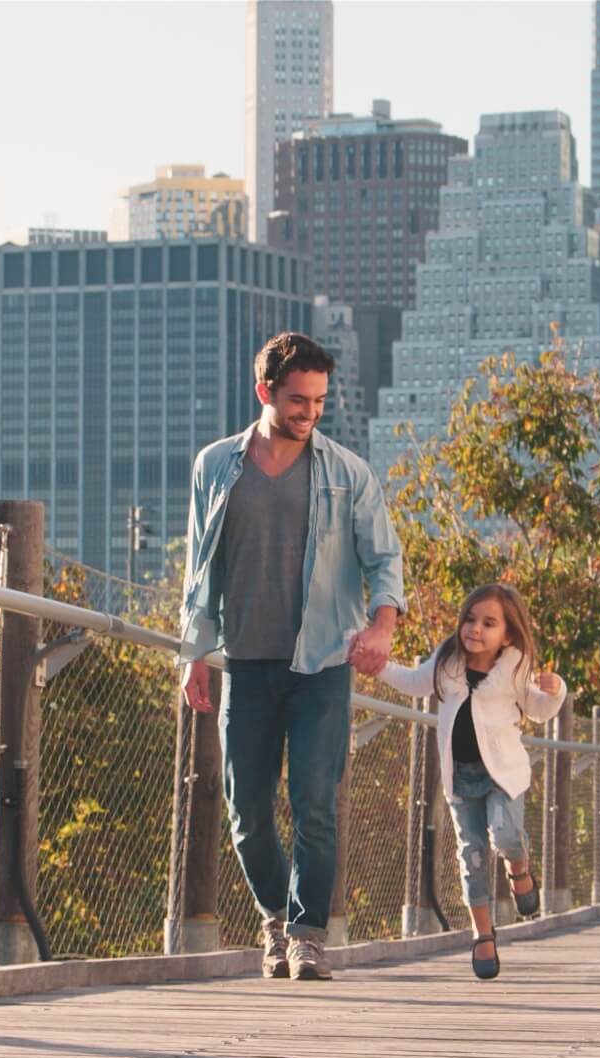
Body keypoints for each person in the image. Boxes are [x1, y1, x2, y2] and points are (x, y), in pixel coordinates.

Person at [179, 331, 405, 982]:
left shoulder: (347, 472)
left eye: (318, 401)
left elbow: (384, 558)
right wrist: (193, 652)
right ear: (264, 393)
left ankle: (306, 936)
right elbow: (200, 567)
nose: (309, 412)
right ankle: (274, 918)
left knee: (313, 803)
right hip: (246, 661)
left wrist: (382, 625)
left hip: (322, 663)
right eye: (297, 400)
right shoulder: (217, 466)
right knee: (246, 810)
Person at [376, 584, 566, 980]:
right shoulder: (447, 662)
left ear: (508, 634)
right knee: (473, 854)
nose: (475, 629)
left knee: (507, 836)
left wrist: (556, 691)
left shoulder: (514, 668)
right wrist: (376, 664)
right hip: (460, 777)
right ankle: (483, 934)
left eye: (488, 623)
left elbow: (540, 709)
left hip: (502, 774)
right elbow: (413, 682)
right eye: (470, 619)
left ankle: (519, 866)